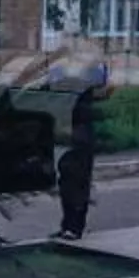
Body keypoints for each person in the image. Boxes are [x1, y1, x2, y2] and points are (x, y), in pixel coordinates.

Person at [54, 59, 109, 241]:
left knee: (77, 180)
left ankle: (74, 226)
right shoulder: (65, 69)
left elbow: (103, 89)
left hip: (78, 132)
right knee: (68, 181)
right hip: (69, 132)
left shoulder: (88, 70)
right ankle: (69, 225)